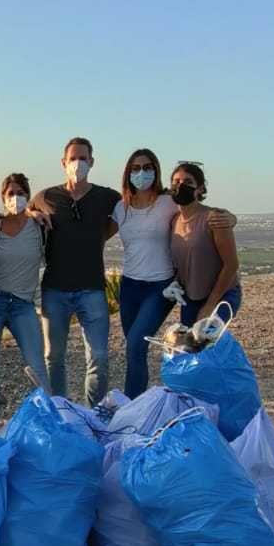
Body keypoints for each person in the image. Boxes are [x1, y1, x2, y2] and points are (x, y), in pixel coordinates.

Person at [32, 136, 121, 406]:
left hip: (92, 288)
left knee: (99, 357)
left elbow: (127, 214)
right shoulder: (46, 196)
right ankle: (61, 409)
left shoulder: (107, 197)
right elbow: (21, 213)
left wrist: (98, 238)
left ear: (92, 162)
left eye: (83, 158)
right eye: (73, 158)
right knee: (54, 357)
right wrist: (30, 215)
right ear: (63, 162)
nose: (78, 163)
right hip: (55, 289)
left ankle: (95, 413)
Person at [0, 172, 49, 401]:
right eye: (11, 193)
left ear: (28, 196)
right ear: (3, 197)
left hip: (23, 305)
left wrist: (34, 213)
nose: (15, 198)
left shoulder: (39, 227)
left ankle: (49, 414)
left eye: (20, 193)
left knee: (37, 365)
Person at [113, 147, 177, 397]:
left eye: (147, 167)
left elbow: (198, 214)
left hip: (160, 286)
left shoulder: (169, 203)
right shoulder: (121, 208)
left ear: (156, 171)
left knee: (136, 344)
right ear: (128, 173)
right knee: (134, 350)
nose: (142, 173)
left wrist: (227, 218)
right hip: (130, 286)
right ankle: (137, 403)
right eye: (136, 168)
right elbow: (96, 236)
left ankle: (131, 405)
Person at [168, 162, 242, 326]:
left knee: (204, 336)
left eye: (188, 182)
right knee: (189, 340)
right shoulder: (174, 221)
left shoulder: (214, 218)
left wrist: (210, 305)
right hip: (192, 296)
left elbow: (231, 265)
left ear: (200, 189)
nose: (181, 186)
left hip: (222, 295)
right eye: (176, 181)